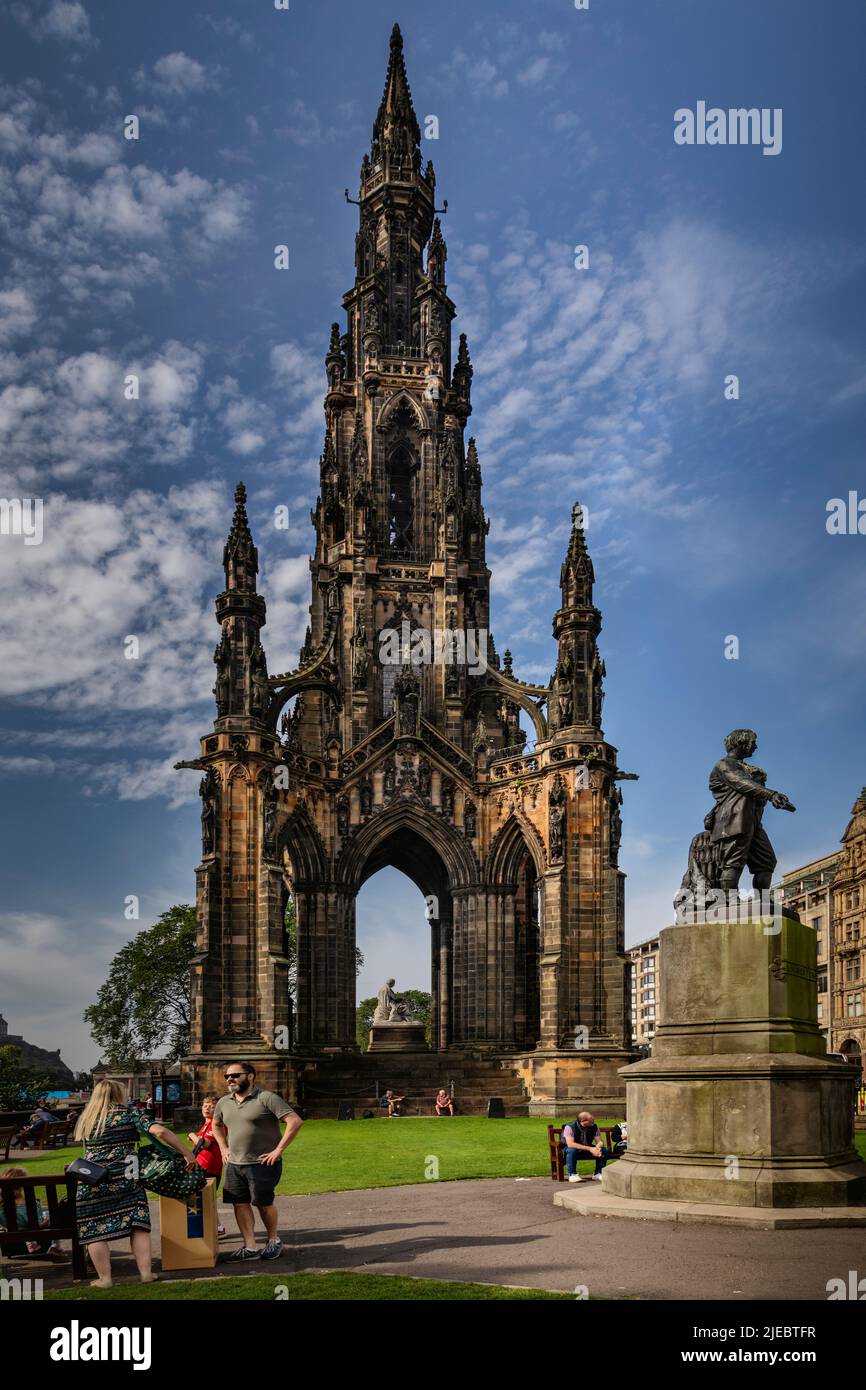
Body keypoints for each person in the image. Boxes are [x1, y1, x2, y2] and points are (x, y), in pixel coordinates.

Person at [74, 1077, 195, 1288]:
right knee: (138, 1227)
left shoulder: (87, 1118)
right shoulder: (129, 1113)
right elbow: (160, 1131)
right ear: (118, 1094)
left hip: (92, 1181)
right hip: (127, 1179)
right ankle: (146, 1274)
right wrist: (186, 1153)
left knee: (94, 1230)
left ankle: (105, 1279)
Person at [212, 1062, 303, 1263]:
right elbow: (216, 1124)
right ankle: (250, 1246)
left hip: (262, 1163)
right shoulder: (224, 1102)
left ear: (250, 1076)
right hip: (235, 1164)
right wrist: (223, 1148)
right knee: (239, 1203)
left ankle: (273, 1240)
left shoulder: (267, 1098)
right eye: (227, 1076)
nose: (230, 1079)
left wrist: (278, 1150)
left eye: (235, 1075)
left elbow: (294, 1121)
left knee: (263, 1203)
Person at [0, 1167, 67, 1260]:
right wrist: (47, 1219)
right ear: (21, 1186)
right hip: (36, 1233)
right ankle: (55, 1245)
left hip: (14, 1239)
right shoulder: (33, 1204)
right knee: (53, 1215)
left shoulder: (1, 1208)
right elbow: (39, 1224)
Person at [188, 1094, 225, 1235]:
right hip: (202, 1164)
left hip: (210, 1166)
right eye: (205, 1106)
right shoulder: (206, 1124)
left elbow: (204, 1144)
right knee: (206, 1198)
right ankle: (217, 1227)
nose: (207, 1109)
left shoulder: (216, 1124)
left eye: (212, 1107)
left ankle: (216, 1227)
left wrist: (192, 1135)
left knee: (206, 1197)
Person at [561, 1111, 610, 1183]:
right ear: (583, 1121)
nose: (593, 1123)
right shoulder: (569, 1127)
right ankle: (572, 1174)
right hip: (571, 1149)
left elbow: (599, 1141)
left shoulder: (594, 1127)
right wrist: (591, 1149)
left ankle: (598, 1173)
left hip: (586, 1148)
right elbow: (570, 1144)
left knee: (604, 1150)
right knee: (572, 1150)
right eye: (591, 1121)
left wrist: (598, 1147)